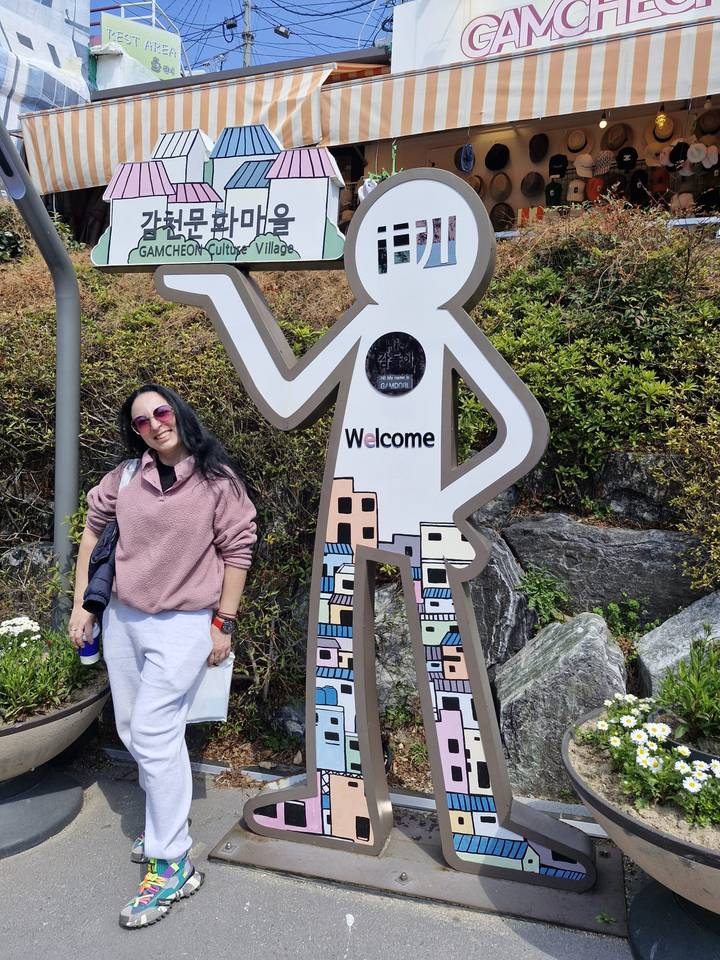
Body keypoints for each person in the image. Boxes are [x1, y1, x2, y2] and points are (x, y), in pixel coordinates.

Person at [69, 384, 256, 929]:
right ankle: (163, 830)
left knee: (151, 732)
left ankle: (172, 860)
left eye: (161, 411)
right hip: (125, 619)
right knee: (136, 728)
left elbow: (237, 548)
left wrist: (224, 621)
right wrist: (85, 602)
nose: (154, 423)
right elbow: (92, 529)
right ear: (136, 432)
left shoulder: (217, 481)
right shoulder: (126, 477)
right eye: (142, 421)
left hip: (184, 625)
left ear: (179, 412)